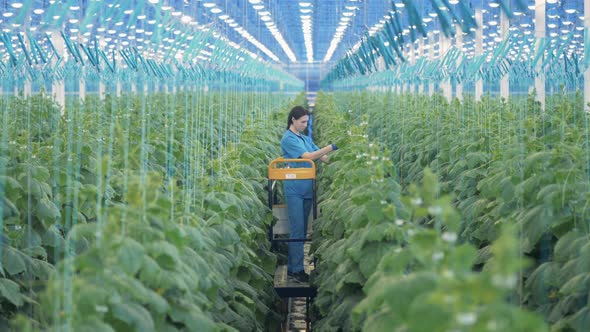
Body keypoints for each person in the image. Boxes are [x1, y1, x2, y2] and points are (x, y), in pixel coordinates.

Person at [280, 106, 338, 283]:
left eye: (307, 122)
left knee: (303, 228)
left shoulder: (304, 138)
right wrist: (330, 147)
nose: (305, 125)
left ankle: (296, 266)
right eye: (302, 122)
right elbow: (309, 156)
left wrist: (340, 160)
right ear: (293, 120)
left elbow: (323, 158)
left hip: (305, 189)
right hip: (295, 188)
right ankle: (295, 270)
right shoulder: (288, 139)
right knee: (297, 229)